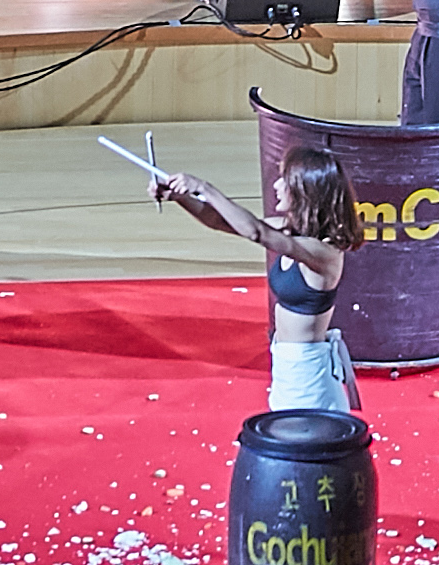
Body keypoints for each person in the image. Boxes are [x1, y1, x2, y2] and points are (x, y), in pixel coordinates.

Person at [148, 145, 362, 412]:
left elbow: (256, 233)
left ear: (306, 191)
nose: (277, 185)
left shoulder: (325, 253)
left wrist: (204, 187)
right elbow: (219, 221)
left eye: (286, 180)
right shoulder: (290, 229)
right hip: (286, 364)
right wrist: (181, 197)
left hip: (307, 373)